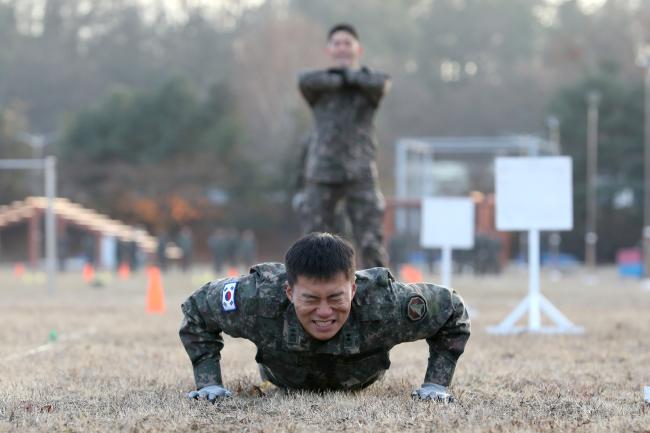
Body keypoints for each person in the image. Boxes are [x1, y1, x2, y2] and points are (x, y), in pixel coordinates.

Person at [180, 232, 470, 402]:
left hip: (361, 379)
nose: (324, 312)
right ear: (289, 291)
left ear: (353, 289)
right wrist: (209, 384)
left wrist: (436, 384)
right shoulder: (258, 298)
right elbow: (196, 310)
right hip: (282, 377)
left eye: (335, 298)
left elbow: (452, 311)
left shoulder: (384, 302)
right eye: (310, 299)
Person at [297, 23, 390, 268]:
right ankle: (313, 296)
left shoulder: (368, 87)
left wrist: (349, 77)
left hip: (360, 172)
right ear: (329, 49)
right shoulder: (318, 86)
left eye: (347, 43)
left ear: (358, 49)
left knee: (370, 241)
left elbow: (381, 83)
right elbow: (305, 80)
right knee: (313, 243)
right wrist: (343, 79)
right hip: (322, 172)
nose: (342, 48)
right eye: (337, 43)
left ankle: (377, 299)